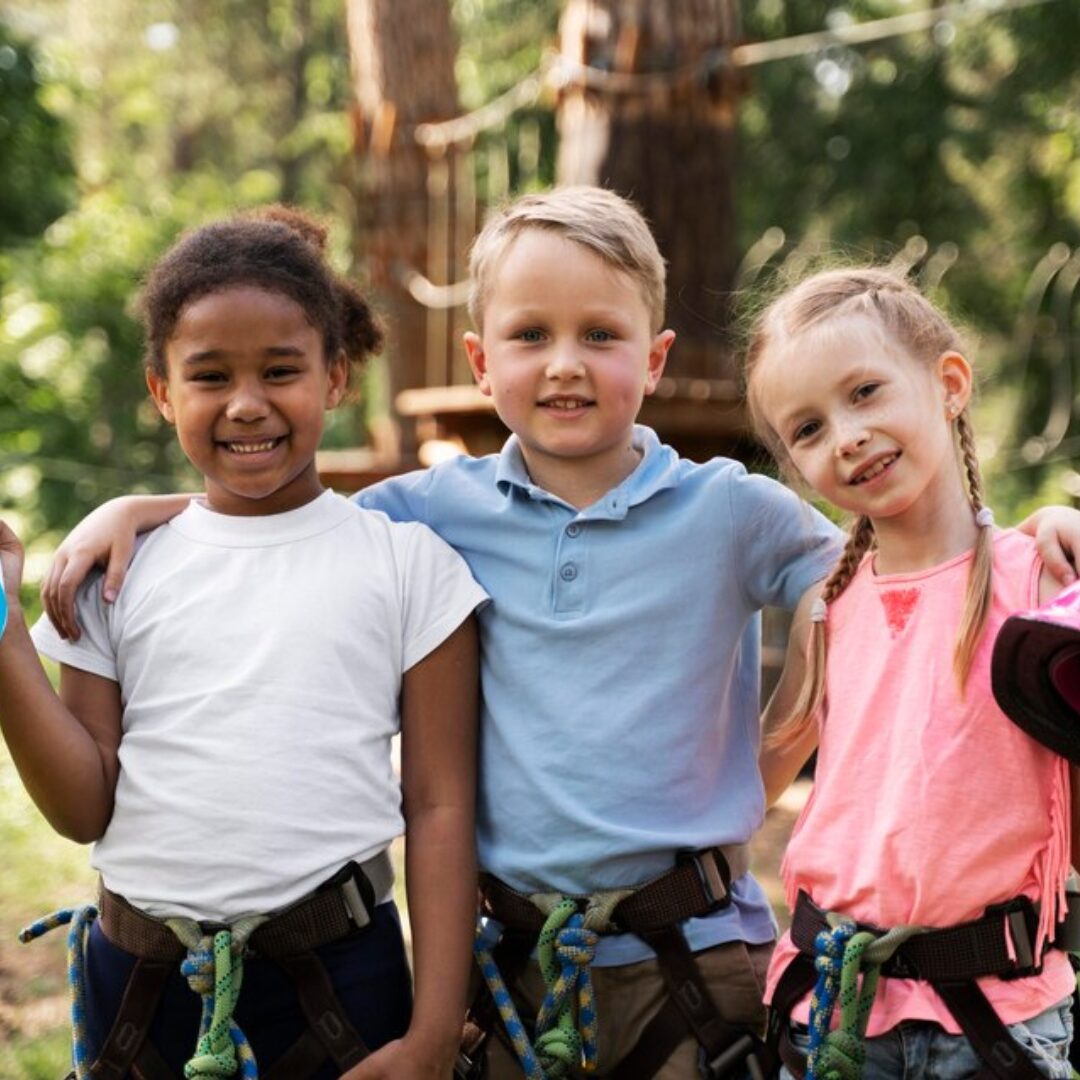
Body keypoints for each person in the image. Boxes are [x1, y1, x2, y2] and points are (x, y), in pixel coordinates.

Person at [40, 189, 1080, 1080]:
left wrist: (1029, 538)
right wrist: (143, 509)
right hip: (516, 962)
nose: (566, 364)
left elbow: (900, 568)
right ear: (483, 363)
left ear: (657, 357)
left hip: (698, 956)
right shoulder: (429, 512)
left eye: (601, 335)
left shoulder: (732, 510)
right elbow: (279, 513)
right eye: (532, 336)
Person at [0, 207, 487, 1080]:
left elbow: (442, 807)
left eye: (281, 371)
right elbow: (83, 810)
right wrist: (3, 640)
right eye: (210, 375)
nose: (247, 404)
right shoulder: (117, 571)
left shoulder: (408, 565)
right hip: (136, 993)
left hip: (341, 986)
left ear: (336, 378)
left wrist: (433, 1032)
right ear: (161, 391)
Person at [746, 267, 1080, 1079]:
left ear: (951, 385)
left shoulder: (1039, 581)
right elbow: (761, 771)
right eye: (809, 429)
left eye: (865, 392)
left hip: (997, 1022)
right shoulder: (830, 603)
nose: (847, 435)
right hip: (831, 1018)